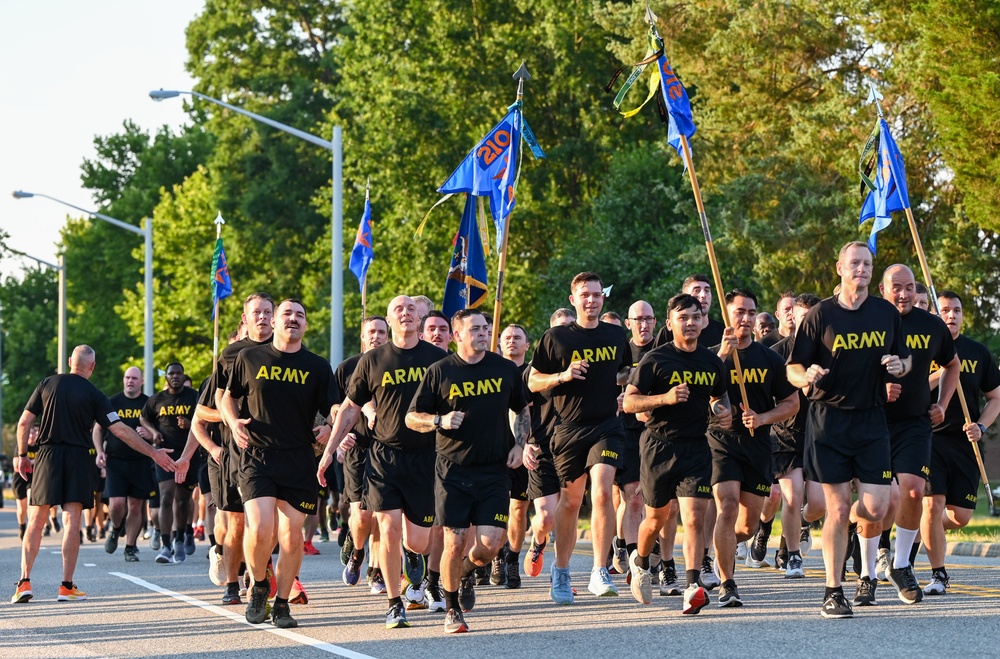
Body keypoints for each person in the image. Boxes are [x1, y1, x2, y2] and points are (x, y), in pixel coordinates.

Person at [786, 241, 911, 618]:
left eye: (867, 263)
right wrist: (805, 377)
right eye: (854, 263)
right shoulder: (820, 315)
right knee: (838, 509)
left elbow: (906, 360)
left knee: (876, 507)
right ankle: (833, 590)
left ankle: (842, 536)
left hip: (872, 421)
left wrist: (898, 366)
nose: (861, 269)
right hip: (829, 422)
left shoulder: (886, 313)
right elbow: (793, 367)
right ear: (839, 267)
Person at [317, 295, 447, 629]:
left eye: (410, 309)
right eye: (397, 310)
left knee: (417, 539)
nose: (405, 313)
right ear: (390, 320)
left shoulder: (438, 359)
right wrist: (330, 450)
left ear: (419, 317)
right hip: (384, 456)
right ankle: (394, 604)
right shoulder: (373, 361)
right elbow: (349, 408)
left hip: (426, 458)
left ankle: (412, 554)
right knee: (387, 526)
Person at [11, 345, 176, 604]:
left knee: (37, 519)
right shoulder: (95, 394)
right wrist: (154, 453)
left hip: (47, 456)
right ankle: (66, 586)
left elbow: (24, 422)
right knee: (72, 520)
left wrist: (21, 455)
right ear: (92, 367)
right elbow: (120, 430)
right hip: (78, 457)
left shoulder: (46, 384)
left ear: (69, 362)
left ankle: (24, 583)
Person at [406, 309, 530, 633]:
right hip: (453, 471)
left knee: (489, 545)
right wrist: (439, 421)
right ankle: (451, 608)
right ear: (457, 335)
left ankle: (463, 573)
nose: (482, 333)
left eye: (485, 328)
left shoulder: (504, 369)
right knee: (454, 541)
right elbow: (412, 417)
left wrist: (520, 443)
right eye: (474, 328)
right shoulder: (440, 371)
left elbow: (522, 407)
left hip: (494, 469)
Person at [221, 299, 337, 629]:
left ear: (305, 325)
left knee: (291, 538)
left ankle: (282, 603)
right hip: (257, 456)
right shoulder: (248, 357)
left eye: (300, 315)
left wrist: (330, 426)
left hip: (299, 458)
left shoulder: (317, 365)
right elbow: (227, 396)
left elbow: (334, 406)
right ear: (274, 322)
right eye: (287, 314)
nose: (293, 319)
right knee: (259, 529)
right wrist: (232, 421)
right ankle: (259, 585)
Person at [623, 294, 731, 613]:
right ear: (670, 324)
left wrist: (722, 410)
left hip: (697, 445)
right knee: (657, 517)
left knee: (695, 516)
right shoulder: (656, 360)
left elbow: (719, 397)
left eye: (696, 317)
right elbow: (629, 403)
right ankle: (641, 562)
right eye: (683, 317)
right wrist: (665, 398)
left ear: (704, 321)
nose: (691, 322)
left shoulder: (712, 362)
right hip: (659, 444)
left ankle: (692, 584)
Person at [528, 272, 630, 604]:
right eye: (585, 295)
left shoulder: (616, 335)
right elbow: (532, 382)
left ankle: (600, 569)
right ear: (573, 299)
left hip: (606, 426)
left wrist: (633, 385)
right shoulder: (556, 338)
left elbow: (625, 372)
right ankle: (560, 570)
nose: (591, 300)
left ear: (603, 299)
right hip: (568, 429)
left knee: (601, 491)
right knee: (571, 502)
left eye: (597, 294)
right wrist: (563, 375)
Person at [875, 265, 959, 604]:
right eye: (897, 287)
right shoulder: (869, 320)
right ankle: (867, 566)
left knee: (912, 492)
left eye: (910, 287)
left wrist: (943, 402)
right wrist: (878, 390)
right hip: (872, 422)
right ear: (883, 289)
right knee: (878, 504)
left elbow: (951, 365)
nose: (904, 294)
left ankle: (901, 564)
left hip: (914, 423)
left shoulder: (931, 325)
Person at [712, 290, 798, 606]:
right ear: (727, 314)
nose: (746, 318)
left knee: (747, 527)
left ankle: (716, 547)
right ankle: (727, 583)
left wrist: (762, 418)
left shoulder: (770, 358)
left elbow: (792, 403)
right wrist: (720, 356)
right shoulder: (711, 356)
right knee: (728, 501)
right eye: (739, 312)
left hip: (757, 444)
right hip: (721, 443)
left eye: (751, 312)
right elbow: (697, 393)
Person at [191, 292, 275, 605]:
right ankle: (231, 581)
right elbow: (206, 410)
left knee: (269, 522)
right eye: (257, 312)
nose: (263, 318)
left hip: (275, 449)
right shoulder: (231, 355)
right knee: (237, 522)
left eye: (268, 312)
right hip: (235, 451)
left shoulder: (285, 350)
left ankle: (262, 578)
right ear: (246, 318)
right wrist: (234, 419)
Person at [921, 291, 1000, 595]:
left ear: (962, 315)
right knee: (933, 504)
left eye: (956, 310)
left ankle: (915, 525)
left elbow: (995, 398)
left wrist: (981, 425)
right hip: (930, 438)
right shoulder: (924, 349)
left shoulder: (978, 352)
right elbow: (908, 386)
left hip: (966, 443)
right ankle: (939, 574)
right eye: (944, 310)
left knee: (959, 516)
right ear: (936, 316)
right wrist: (941, 372)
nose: (951, 315)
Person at [765, 293, 826, 575]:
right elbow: (768, 397)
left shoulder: (829, 349)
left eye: (812, 319)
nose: (807, 324)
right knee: (792, 494)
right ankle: (792, 556)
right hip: (785, 434)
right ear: (792, 318)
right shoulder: (778, 353)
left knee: (817, 505)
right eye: (802, 318)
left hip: (820, 435)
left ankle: (800, 525)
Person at [329, 316, 388, 595]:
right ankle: (357, 549)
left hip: (388, 450)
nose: (376, 336)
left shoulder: (395, 362)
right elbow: (334, 408)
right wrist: (341, 438)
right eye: (371, 332)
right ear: (362, 337)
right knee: (363, 517)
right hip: (357, 448)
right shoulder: (347, 368)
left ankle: (375, 571)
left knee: (381, 516)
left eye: (381, 332)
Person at [521, 308, 576, 580]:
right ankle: (538, 541)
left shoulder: (584, 367)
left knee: (568, 513)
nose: (565, 333)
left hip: (574, 448)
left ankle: (562, 570)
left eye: (570, 327)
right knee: (546, 518)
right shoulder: (534, 370)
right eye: (559, 329)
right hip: (541, 449)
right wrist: (523, 444)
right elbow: (518, 410)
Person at [609, 301, 657, 575]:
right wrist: (612, 399)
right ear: (628, 323)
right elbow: (603, 382)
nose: (643, 324)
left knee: (657, 500)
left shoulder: (663, 349)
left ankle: (646, 546)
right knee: (633, 498)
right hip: (625, 429)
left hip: (656, 429)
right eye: (638, 319)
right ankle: (633, 559)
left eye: (648, 319)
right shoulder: (620, 350)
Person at [140, 362, 200, 564]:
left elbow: (204, 420)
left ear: (184, 376)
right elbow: (143, 418)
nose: (175, 377)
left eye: (179, 373)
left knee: (183, 500)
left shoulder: (194, 397)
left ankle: (180, 538)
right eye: (171, 374)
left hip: (188, 455)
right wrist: (154, 432)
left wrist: (190, 424)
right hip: (165, 455)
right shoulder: (157, 399)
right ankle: (166, 546)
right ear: (166, 377)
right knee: (166, 497)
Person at [93, 366, 154, 562]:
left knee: (136, 506)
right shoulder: (112, 402)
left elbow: (157, 433)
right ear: (123, 380)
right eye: (127, 377)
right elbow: (97, 430)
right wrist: (99, 452)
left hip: (140, 462)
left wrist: (150, 435)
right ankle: (116, 528)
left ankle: (130, 546)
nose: (130, 381)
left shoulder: (148, 403)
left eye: (134, 378)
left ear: (141, 381)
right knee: (117, 504)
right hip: (115, 462)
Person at [493, 323, 532, 589]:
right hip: (494, 448)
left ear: (527, 345)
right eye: (507, 337)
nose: (512, 341)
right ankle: (495, 557)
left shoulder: (533, 373)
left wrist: (528, 443)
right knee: (495, 507)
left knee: (518, 507)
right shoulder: (491, 370)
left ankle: (512, 559)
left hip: (523, 447)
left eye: (517, 338)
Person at [654, 275, 725, 349]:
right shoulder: (669, 332)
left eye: (707, 291)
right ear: (685, 296)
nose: (703, 295)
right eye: (696, 290)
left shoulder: (723, 332)